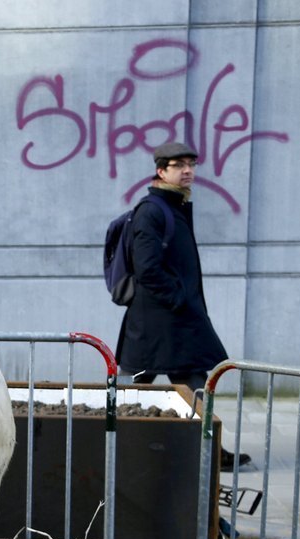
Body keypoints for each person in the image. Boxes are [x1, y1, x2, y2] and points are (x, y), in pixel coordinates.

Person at [115, 142, 250, 467]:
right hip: (158, 322)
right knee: (137, 386)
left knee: (189, 381)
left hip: (170, 322)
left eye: (191, 164)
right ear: (162, 171)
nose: (188, 170)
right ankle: (110, 440)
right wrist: (179, 299)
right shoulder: (153, 210)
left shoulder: (173, 206)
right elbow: (147, 267)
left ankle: (212, 449)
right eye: (179, 165)